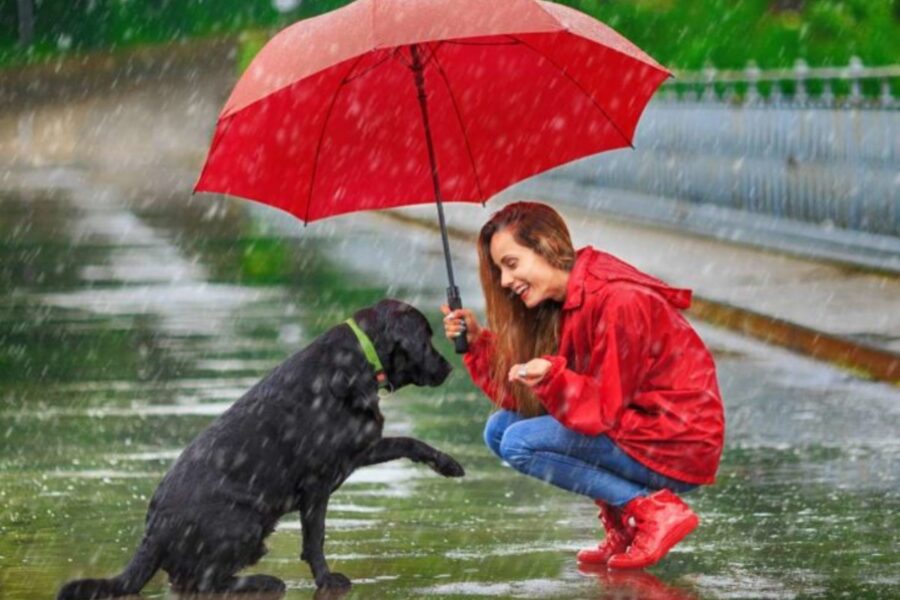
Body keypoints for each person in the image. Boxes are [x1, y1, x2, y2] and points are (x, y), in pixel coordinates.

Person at [441, 201, 725, 570]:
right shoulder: (565, 303)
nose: (506, 281)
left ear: (544, 245)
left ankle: (652, 511)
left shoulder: (618, 299)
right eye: (500, 270)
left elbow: (601, 409)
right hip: (636, 427)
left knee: (519, 442)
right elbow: (532, 402)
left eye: (511, 264)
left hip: (675, 440)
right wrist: (480, 343)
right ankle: (626, 522)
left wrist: (554, 377)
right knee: (499, 430)